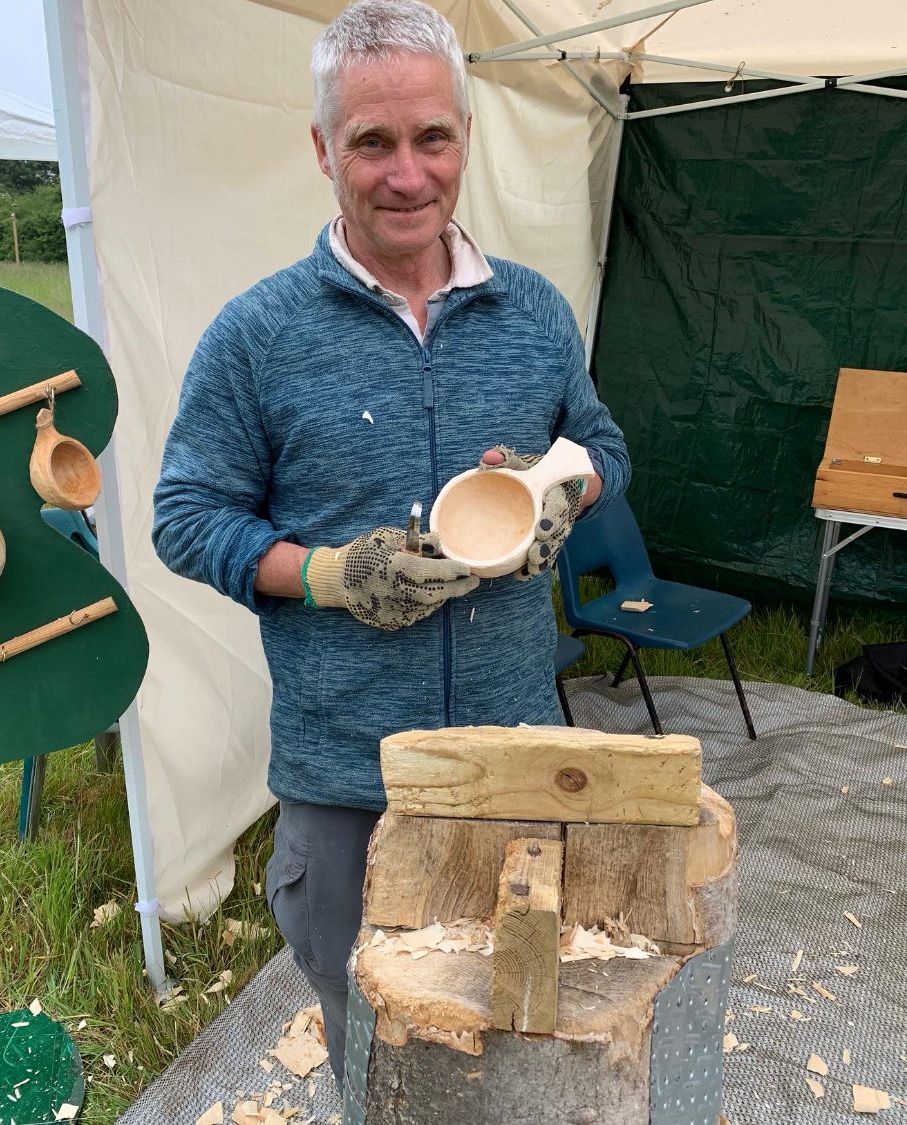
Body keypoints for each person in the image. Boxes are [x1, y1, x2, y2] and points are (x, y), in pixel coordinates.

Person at [152, 0, 630, 1090]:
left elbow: (599, 441)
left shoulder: (534, 313)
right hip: (345, 770)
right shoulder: (257, 335)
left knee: (514, 1005)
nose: (407, 174)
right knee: (366, 1019)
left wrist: (570, 489)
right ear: (323, 148)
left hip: (515, 748)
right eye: (371, 141)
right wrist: (324, 574)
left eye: (432, 138)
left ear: (465, 137)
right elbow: (185, 519)